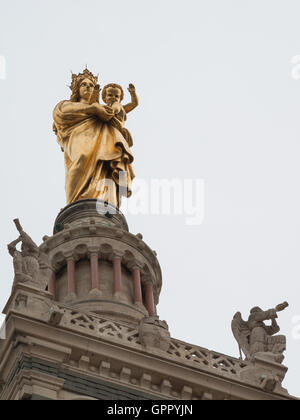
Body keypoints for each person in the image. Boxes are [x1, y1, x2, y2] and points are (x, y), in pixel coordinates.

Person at [53, 69, 135, 208]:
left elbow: (117, 114)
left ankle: (107, 204)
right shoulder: (65, 104)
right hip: (79, 135)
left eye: (91, 85)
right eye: (84, 85)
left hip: (103, 139)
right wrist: (92, 110)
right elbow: (61, 113)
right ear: (77, 89)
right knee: (82, 158)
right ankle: (74, 203)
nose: (88, 87)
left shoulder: (103, 108)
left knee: (106, 168)